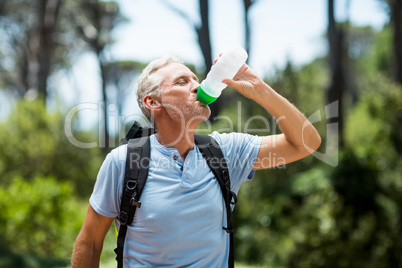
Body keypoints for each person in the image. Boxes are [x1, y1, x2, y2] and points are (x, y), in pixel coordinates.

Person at [72, 55, 321, 267]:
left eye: (195, 79)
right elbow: (90, 242)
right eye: (182, 81)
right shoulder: (124, 162)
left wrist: (259, 89)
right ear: (153, 101)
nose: (196, 85)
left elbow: (307, 142)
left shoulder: (226, 151)